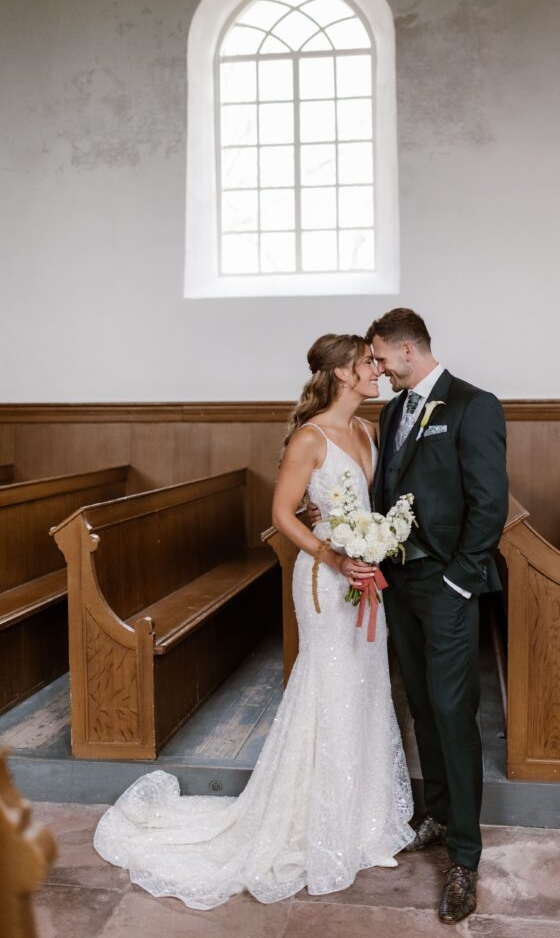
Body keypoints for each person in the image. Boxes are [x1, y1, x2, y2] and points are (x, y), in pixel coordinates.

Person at [92, 333, 414, 909]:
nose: (377, 370)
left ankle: (364, 826)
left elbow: (369, 503)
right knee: (330, 689)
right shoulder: (310, 438)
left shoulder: (368, 431)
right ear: (342, 373)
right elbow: (283, 514)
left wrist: (375, 543)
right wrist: (333, 555)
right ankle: (317, 829)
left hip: (366, 577)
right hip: (324, 580)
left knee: (365, 689)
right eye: (368, 362)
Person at [367, 307, 508, 925]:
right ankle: (440, 815)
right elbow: (385, 491)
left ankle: (465, 857)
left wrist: (458, 580)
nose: (377, 369)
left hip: (447, 586)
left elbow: (489, 502)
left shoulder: (474, 406)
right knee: (422, 704)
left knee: (453, 711)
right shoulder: (391, 412)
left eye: (380, 358)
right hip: (400, 584)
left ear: (407, 349)